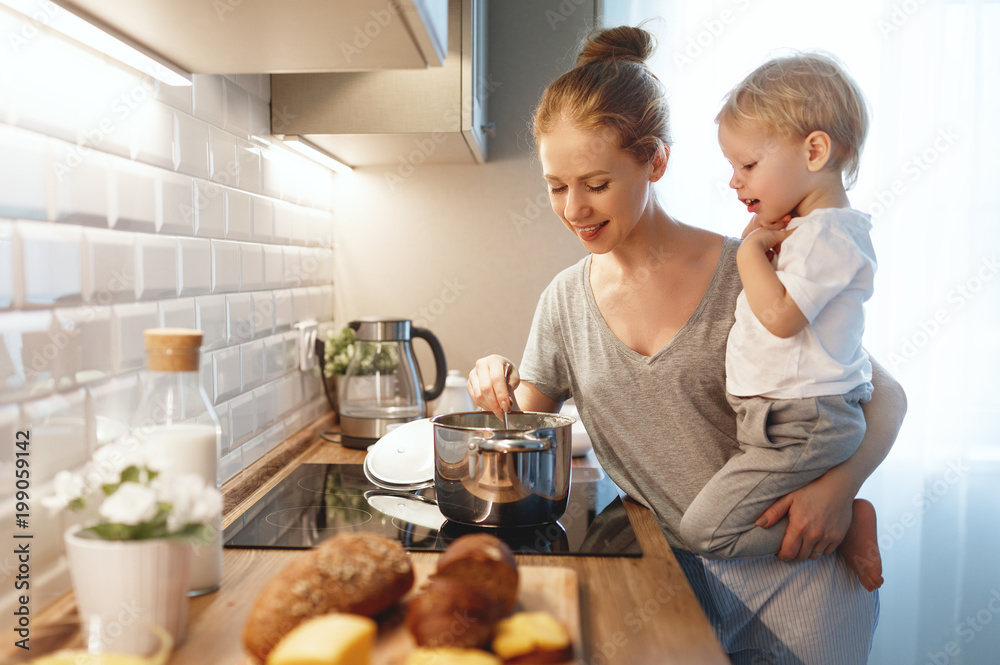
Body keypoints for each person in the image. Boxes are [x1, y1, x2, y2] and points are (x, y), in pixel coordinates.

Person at [467, 26, 906, 665]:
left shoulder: (751, 267)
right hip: (678, 583)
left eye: (595, 183)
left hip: (803, 569)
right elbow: (521, 425)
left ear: (655, 163)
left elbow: (883, 395)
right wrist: (493, 377)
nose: (575, 209)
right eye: (556, 186)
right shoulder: (565, 302)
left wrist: (841, 491)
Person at [676, 52, 884, 593]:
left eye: (747, 165)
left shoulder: (828, 235)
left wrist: (747, 254)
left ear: (814, 150)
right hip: (780, 421)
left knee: (705, 532)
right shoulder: (810, 234)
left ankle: (842, 530)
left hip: (803, 422)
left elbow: (782, 319)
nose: (734, 182)